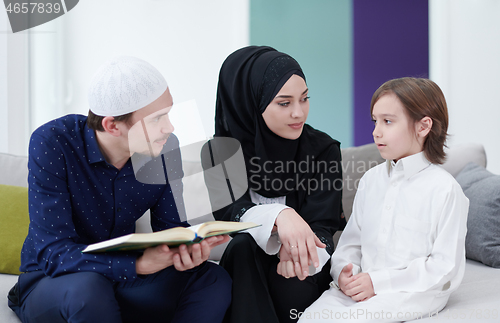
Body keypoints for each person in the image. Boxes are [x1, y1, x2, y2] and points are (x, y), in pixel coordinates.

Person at [7, 56, 231, 323]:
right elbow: (52, 252)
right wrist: (136, 265)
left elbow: (169, 230)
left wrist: (187, 249)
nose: (169, 128)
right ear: (112, 125)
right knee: (89, 290)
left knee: (211, 279)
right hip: (55, 282)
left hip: (124, 282)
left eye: (168, 113)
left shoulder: (164, 149)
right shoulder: (53, 142)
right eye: (157, 118)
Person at [298, 77, 469, 323]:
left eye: (388, 121)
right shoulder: (370, 180)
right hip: (360, 286)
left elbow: (445, 268)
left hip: (413, 291)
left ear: (423, 127)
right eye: (375, 121)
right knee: (309, 319)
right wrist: (344, 274)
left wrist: (378, 282)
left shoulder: (445, 190)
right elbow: (350, 244)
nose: (376, 131)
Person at [209, 45, 346, 323]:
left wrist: (297, 248)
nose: (299, 113)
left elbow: (324, 223)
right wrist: (281, 217)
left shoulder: (322, 150)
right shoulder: (219, 152)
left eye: (305, 99)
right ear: (249, 103)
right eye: (284, 103)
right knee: (243, 246)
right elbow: (228, 214)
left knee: (291, 281)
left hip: (302, 264)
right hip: (245, 266)